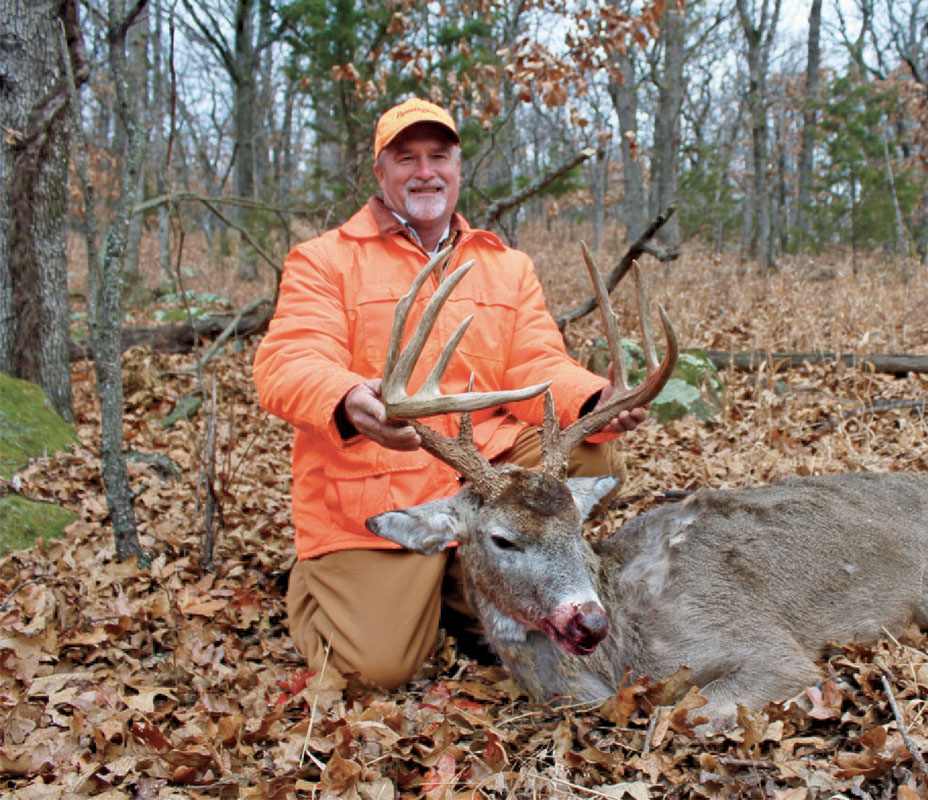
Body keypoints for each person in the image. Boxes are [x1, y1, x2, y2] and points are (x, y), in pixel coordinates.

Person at [253, 98, 646, 688]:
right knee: (376, 669)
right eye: (405, 158)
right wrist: (347, 398)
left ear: (458, 168)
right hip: (378, 489)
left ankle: (478, 576)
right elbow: (288, 359)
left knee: (592, 452)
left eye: (439, 156)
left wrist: (595, 399)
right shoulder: (324, 261)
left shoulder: (504, 266)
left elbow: (537, 363)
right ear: (379, 173)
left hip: (481, 478)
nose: (425, 171)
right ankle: (334, 584)